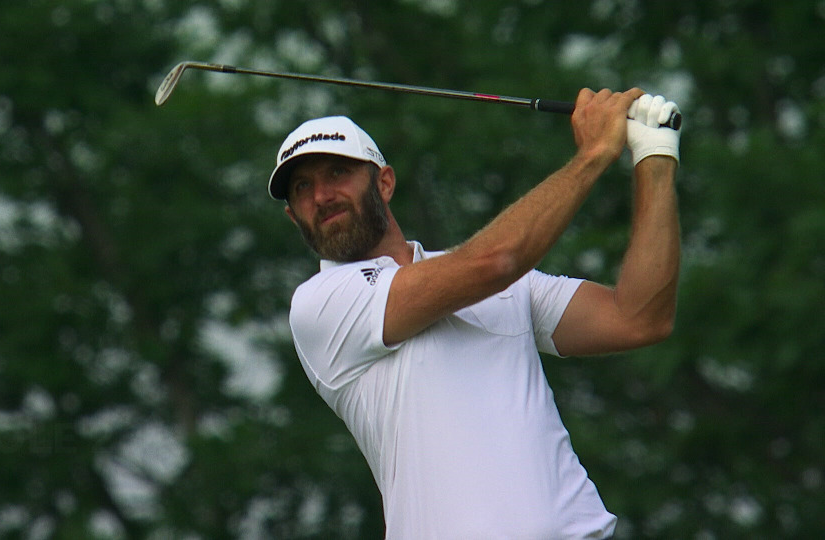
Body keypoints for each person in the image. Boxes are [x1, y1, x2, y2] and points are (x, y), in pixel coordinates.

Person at [268, 88, 681, 539]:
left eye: (337, 172)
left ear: (384, 183)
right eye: (302, 187)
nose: (322, 195)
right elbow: (494, 262)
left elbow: (638, 318)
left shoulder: (493, 279)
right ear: (292, 216)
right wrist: (595, 154)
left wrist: (655, 157)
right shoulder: (320, 302)